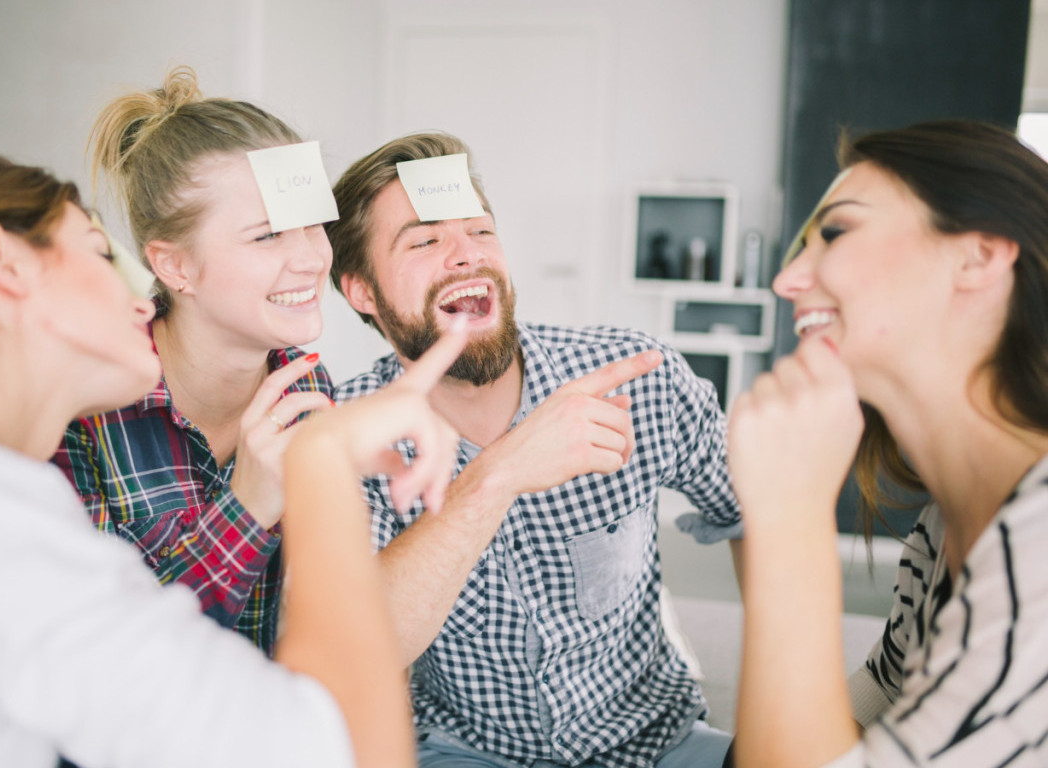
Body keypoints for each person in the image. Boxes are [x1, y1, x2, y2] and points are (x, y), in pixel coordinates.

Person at [0, 153, 469, 767]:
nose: (142, 297)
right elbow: (337, 750)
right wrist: (321, 463)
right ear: (4, 260)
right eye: (102, 253)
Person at [325, 131, 743, 768]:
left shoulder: (637, 376)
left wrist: (775, 710)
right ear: (361, 291)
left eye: (481, 230)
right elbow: (359, 648)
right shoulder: (347, 434)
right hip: (468, 752)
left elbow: (753, 510)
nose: (467, 255)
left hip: (660, 742)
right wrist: (501, 473)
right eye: (426, 239)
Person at [727, 119, 1048, 767]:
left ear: (978, 256)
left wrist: (789, 515)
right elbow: (882, 693)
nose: (787, 281)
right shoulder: (939, 531)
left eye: (837, 232)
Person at [53, 65, 333, 653]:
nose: (311, 259)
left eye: (315, 225)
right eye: (268, 236)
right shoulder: (80, 414)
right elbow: (105, 660)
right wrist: (250, 505)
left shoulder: (308, 391)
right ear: (174, 266)